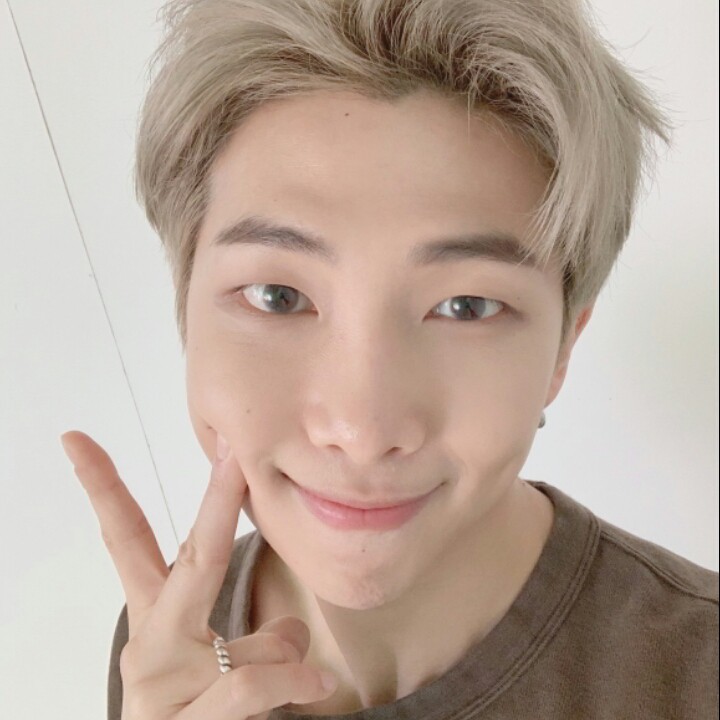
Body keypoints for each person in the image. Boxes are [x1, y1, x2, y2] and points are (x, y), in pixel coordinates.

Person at [60, 0, 718, 718]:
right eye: (278, 296)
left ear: (564, 347)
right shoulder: (168, 646)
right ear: (186, 312)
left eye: (466, 306)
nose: (361, 430)